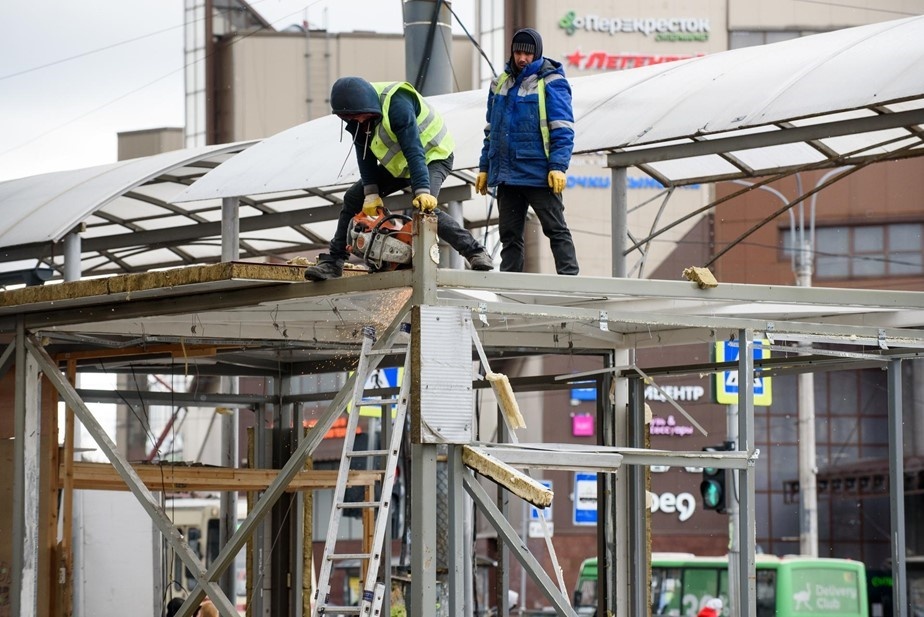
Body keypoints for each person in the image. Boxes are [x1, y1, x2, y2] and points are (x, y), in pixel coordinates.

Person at [305, 77, 494, 280]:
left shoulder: (397, 104)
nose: (358, 121)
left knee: (424, 209)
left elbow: (414, 151)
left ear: (367, 106)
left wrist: (422, 191)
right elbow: (365, 156)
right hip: (401, 164)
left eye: (360, 117)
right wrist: (371, 193)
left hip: (434, 156)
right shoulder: (357, 116)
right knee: (353, 197)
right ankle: (334, 262)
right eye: (353, 118)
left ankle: (475, 252)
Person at [475, 28, 579, 276]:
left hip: (538, 173)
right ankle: (510, 288)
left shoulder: (552, 82)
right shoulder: (499, 83)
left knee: (555, 229)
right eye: (518, 52)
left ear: (538, 54)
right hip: (507, 176)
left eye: (528, 54)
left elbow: (562, 128)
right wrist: (484, 167)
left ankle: (571, 283)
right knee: (509, 236)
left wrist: (558, 166)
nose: (522, 58)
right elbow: (492, 130)